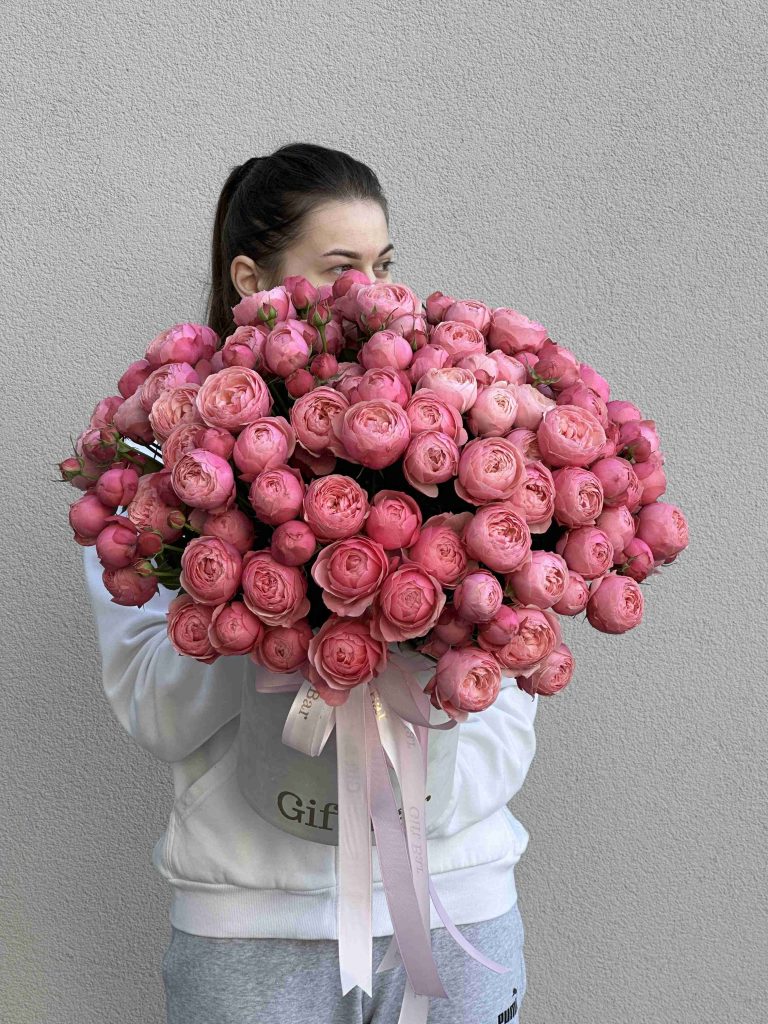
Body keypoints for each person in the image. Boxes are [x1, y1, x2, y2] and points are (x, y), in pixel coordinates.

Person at [82, 142, 538, 1023]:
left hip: (454, 909)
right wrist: (259, 591)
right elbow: (155, 711)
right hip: (251, 931)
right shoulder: (151, 471)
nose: (376, 293)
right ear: (252, 277)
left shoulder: (463, 443)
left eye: (386, 264)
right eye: (342, 268)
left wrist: (431, 818)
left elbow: (512, 682)